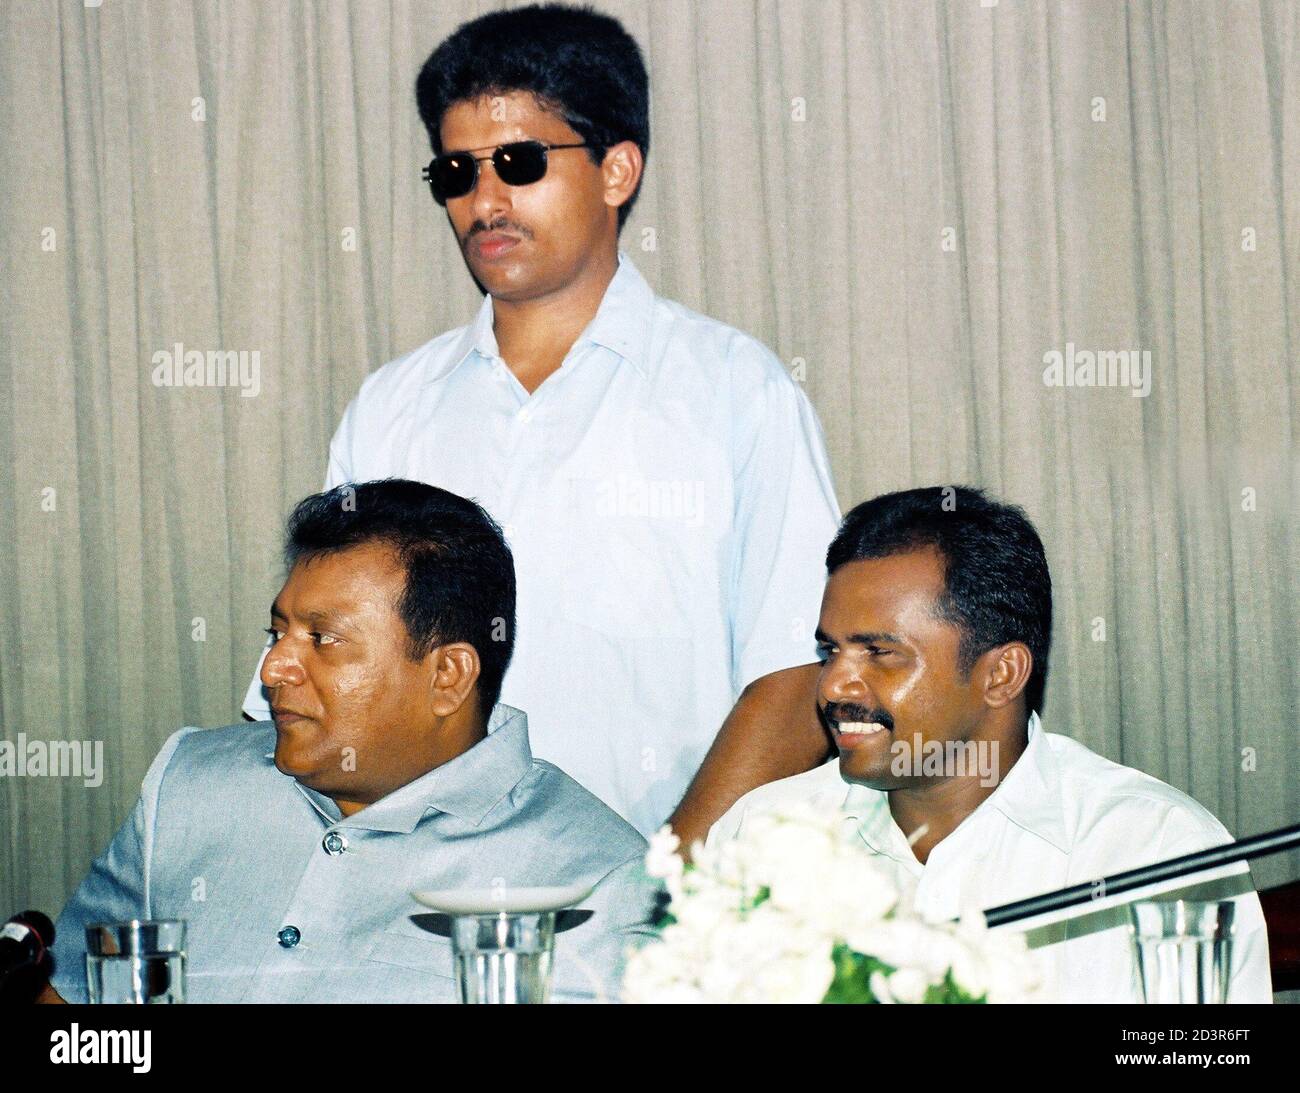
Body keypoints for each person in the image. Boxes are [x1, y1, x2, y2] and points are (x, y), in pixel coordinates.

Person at [240, 3, 840, 842]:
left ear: (616, 170)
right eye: (456, 172)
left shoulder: (737, 393)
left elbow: (797, 676)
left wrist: (662, 886)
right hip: (413, 900)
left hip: (652, 902)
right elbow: (309, 670)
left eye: (519, 163)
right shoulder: (391, 406)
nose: (484, 201)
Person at [42, 480, 654, 1003]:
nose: (273, 668)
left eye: (323, 639)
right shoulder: (187, 785)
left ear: (448, 676)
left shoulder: (598, 887)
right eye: (277, 632)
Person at [708, 486, 1272, 1002]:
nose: (832, 685)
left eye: (879, 653)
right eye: (830, 651)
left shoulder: (1153, 851)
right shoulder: (762, 832)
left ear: (1001, 674)